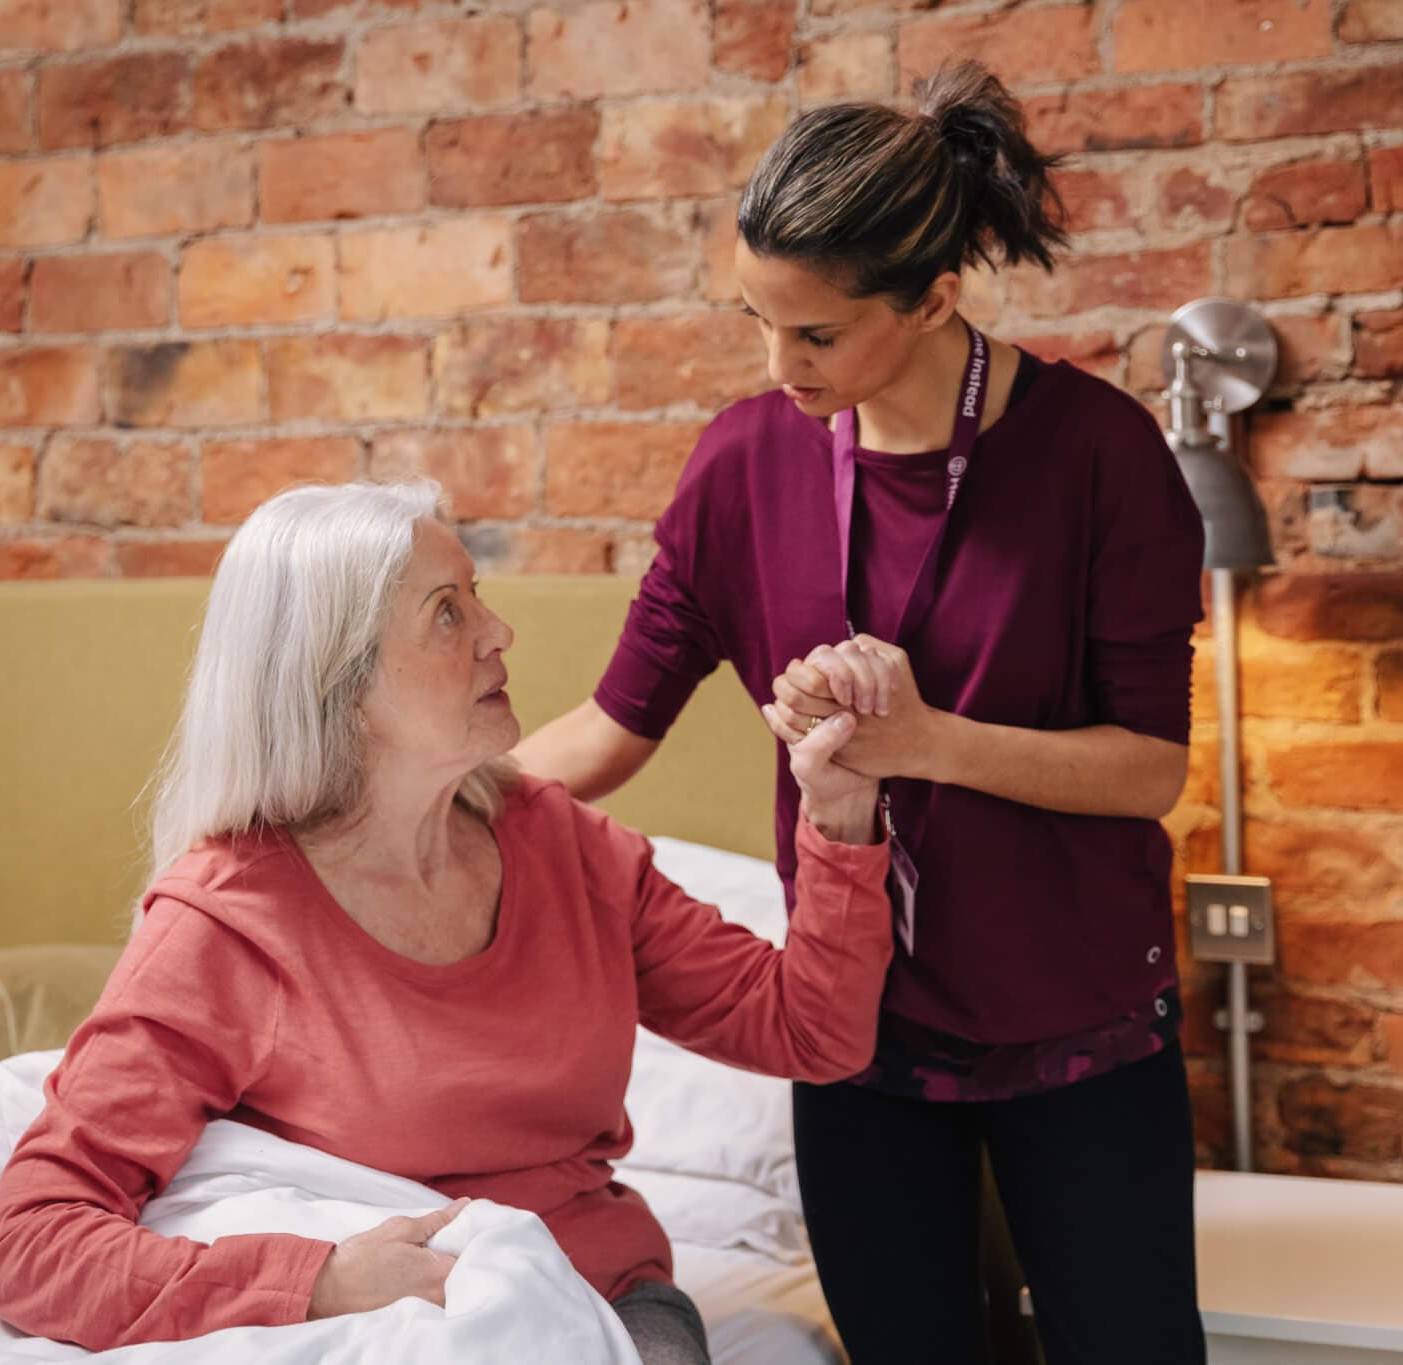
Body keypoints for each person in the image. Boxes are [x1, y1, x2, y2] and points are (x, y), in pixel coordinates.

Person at [514, 61, 1209, 1364]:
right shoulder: (740, 465)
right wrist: (397, 812)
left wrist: (925, 742)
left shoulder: (1104, 456)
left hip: (1083, 1031)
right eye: (758, 323)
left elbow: (1148, 771)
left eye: (816, 334)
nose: (779, 368)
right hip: (858, 1047)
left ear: (935, 298)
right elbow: (606, 733)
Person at [0, 481, 896, 1365]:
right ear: (340, 682)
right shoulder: (227, 922)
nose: (500, 632)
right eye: (448, 612)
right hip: (373, 1324)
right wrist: (324, 1279)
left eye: (477, 598)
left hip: (598, 1295)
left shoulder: (562, 844)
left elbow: (811, 1031)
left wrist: (841, 810)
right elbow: (35, 1242)